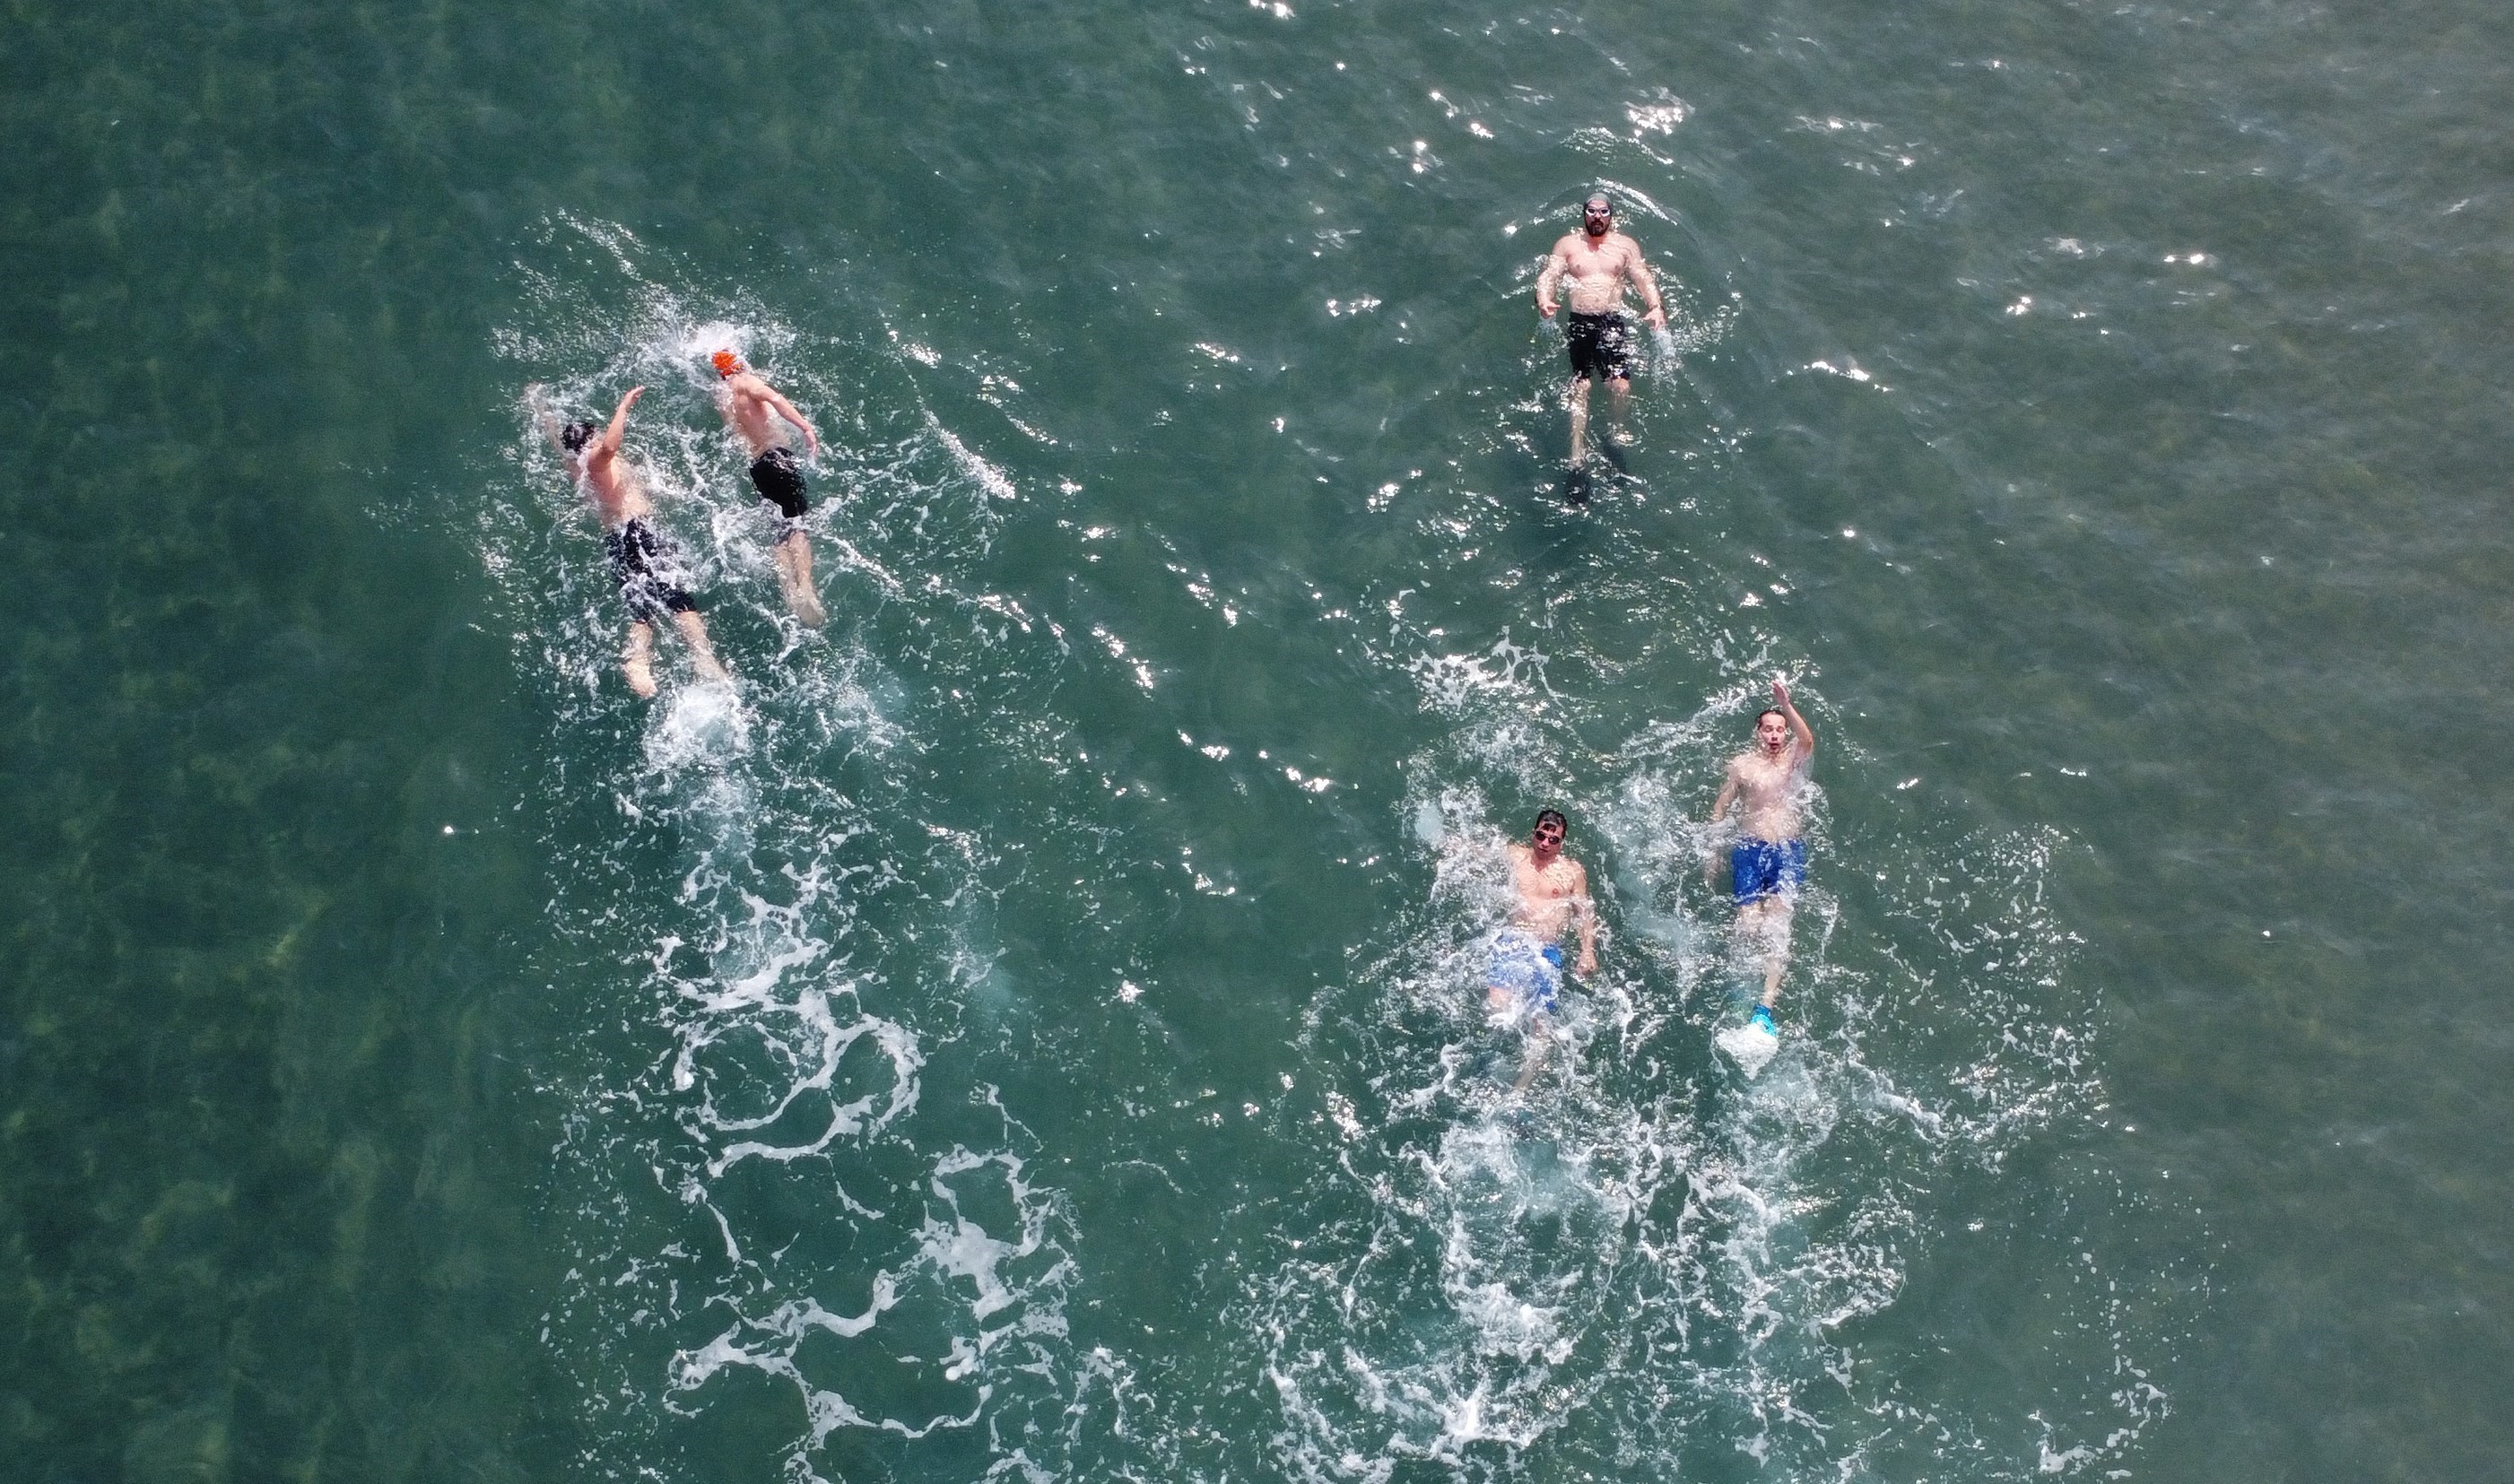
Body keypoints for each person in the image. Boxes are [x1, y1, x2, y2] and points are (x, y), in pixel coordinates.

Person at [532, 384, 730, 699]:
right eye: (595, 435)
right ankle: (703, 659)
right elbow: (610, 446)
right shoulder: (596, 460)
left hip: (617, 540)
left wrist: (541, 410)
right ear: (590, 441)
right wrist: (624, 406)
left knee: (642, 610)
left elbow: (558, 441)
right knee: (679, 599)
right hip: (638, 532)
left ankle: (637, 661)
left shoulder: (574, 465)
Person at [1706, 680, 1816, 1032]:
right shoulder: (1741, 766)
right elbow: (1721, 808)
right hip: (1750, 849)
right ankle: (1739, 990)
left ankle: (1764, 1008)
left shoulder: (1792, 761)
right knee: (1748, 924)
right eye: (1768, 729)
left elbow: (1808, 740)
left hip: (1786, 849)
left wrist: (1787, 705)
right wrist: (1714, 852)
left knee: (1777, 926)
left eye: (1780, 729)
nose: (1774, 735)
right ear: (1757, 732)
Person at [1535, 194, 1668, 472]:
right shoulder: (1567, 245)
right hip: (1580, 320)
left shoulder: (1625, 246)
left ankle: (1614, 436)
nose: (1597, 216)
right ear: (1584, 214)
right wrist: (1544, 299)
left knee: (1621, 386)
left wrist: (1655, 307)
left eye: (1603, 212)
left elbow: (1643, 278)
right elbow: (1550, 275)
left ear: (1611, 215)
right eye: (1592, 211)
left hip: (1612, 320)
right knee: (1581, 386)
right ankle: (1577, 457)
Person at [1486, 809, 1599, 1091]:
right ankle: (1496, 1063)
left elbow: (1584, 913)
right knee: (1497, 1007)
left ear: (1562, 842)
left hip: (1547, 951)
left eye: (1554, 839)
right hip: (1514, 941)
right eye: (1541, 835)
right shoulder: (1516, 856)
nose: (1546, 843)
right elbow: (1482, 851)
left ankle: (1521, 1087)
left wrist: (1587, 950)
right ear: (1533, 833)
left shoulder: (1572, 872)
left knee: (1542, 1027)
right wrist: (1454, 847)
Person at [711, 350, 827, 627]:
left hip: (758, 468)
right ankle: (806, 588)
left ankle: (788, 591)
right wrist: (805, 427)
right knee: (797, 526)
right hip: (778, 458)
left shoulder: (722, 397)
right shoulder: (746, 382)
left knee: (778, 533)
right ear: (738, 364)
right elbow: (776, 399)